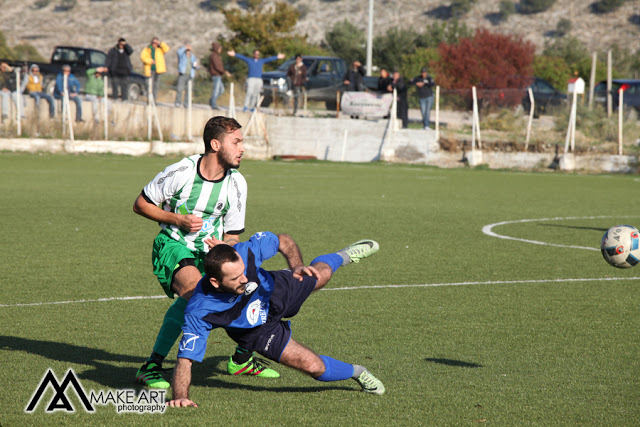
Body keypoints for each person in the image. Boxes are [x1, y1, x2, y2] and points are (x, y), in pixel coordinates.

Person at [133, 116, 279, 389]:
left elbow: (233, 235)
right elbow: (141, 204)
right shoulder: (182, 171)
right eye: (236, 142)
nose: (242, 148)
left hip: (209, 256)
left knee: (255, 292)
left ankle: (241, 359)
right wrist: (177, 219)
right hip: (173, 245)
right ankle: (152, 366)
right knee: (194, 294)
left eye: (242, 142)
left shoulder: (237, 183)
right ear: (215, 144)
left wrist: (225, 248)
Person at [166, 232, 384, 407]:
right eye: (235, 278)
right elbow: (185, 359)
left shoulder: (246, 252)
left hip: (275, 290)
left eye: (243, 272)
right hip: (256, 330)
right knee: (313, 366)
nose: (244, 279)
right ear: (215, 282)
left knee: (321, 276)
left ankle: (344, 255)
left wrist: (297, 266)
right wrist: (181, 396)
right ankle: (358, 372)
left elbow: (283, 240)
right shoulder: (200, 310)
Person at [140, 37, 170, 102]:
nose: (155, 44)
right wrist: (150, 61)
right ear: (151, 43)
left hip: (158, 70)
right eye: (154, 42)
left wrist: (161, 43)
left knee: (156, 86)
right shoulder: (147, 49)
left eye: (156, 43)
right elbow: (143, 57)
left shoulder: (160, 49)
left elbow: (167, 49)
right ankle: (149, 100)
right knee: (149, 85)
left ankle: (154, 100)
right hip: (149, 70)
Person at [208, 42, 230, 110]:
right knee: (216, 90)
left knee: (221, 90)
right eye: (220, 48)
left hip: (219, 75)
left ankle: (212, 100)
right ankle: (213, 104)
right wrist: (225, 72)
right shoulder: (214, 56)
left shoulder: (217, 55)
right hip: (216, 75)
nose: (220, 50)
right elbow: (217, 66)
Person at [175, 43, 199, 107]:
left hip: (190, 75)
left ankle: (186, 103)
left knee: (188, 90)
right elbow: (178, 52)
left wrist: (196, 66)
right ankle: (178, 102)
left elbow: (196, 66)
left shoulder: (193, 56)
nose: (188, 51)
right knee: (180, 89)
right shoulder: (182, 55)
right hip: (182, 74)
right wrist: (185, 47)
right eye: (187, 49)